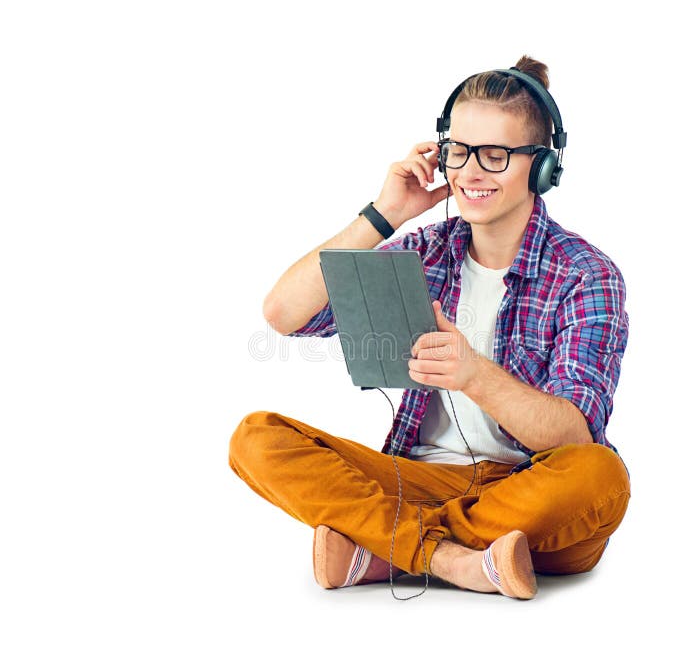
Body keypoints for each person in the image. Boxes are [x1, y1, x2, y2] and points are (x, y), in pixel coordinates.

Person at [229, 55, 631, 600]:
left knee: (598, 477)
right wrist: (385, 214)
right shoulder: (423, 251)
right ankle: (454, 560)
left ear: (542, 168)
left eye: (495, 156)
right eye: (459, 152)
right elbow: (284, 314)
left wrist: (473, 375)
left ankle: (384, 546)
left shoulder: (586, 275)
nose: (470, 173)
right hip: (418, 479)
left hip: (528, 489)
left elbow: (572, 436)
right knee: (256, 438)